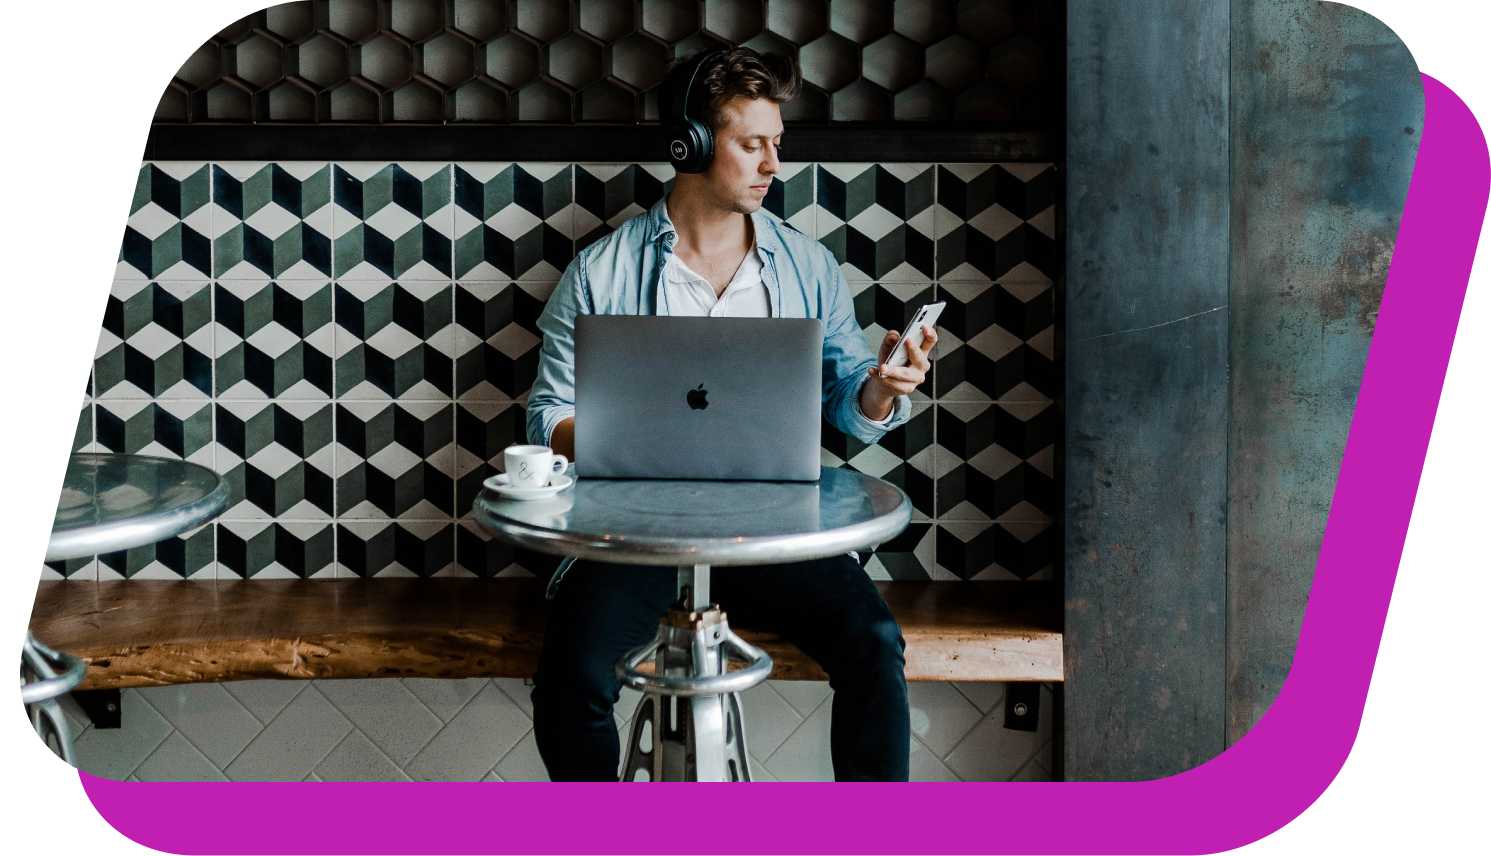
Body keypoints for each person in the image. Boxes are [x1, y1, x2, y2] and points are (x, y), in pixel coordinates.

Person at [523, 47, 937, 782]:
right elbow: (548, 414)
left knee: (875, 645)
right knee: (572, 681)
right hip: (635, 536)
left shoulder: (808, 267)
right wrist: (636, 440)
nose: (772, 163)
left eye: (777, 143)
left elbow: (849, 404)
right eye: (752, 144)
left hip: (778, 532)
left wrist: (884, 388)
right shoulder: (601, 269)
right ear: (691, 143)